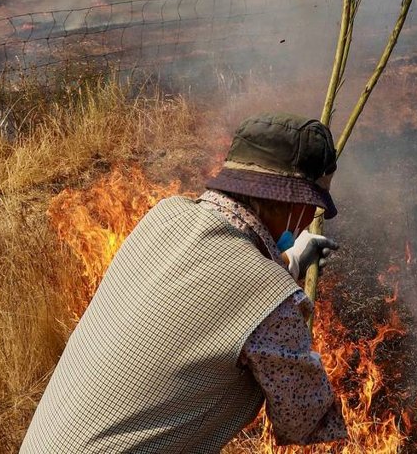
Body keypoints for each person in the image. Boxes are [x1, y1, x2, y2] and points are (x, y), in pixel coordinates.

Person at [20, 113, 348, 453]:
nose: (310, 218)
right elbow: (303, 419)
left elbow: (215, 281)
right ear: (293, 203)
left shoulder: (165, 216)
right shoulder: (270, 300)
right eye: (312, 206)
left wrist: (291, 261)